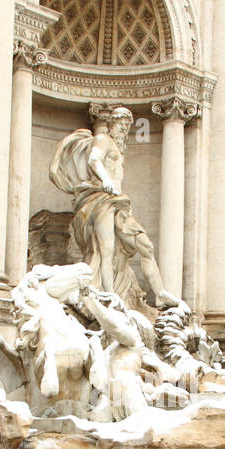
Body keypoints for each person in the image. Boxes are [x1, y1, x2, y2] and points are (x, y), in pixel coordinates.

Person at [49, 106, 177, 309]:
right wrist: (106, 179)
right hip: (101, 199)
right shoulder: (103, 139)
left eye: (127, 126)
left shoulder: (118, 147)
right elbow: (94, 159)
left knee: (146, 246)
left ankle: (160, 293)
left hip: (118, 202)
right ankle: (108, 297)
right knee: (105, 250)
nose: (123, 130)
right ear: (111, 124)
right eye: (120, 125)